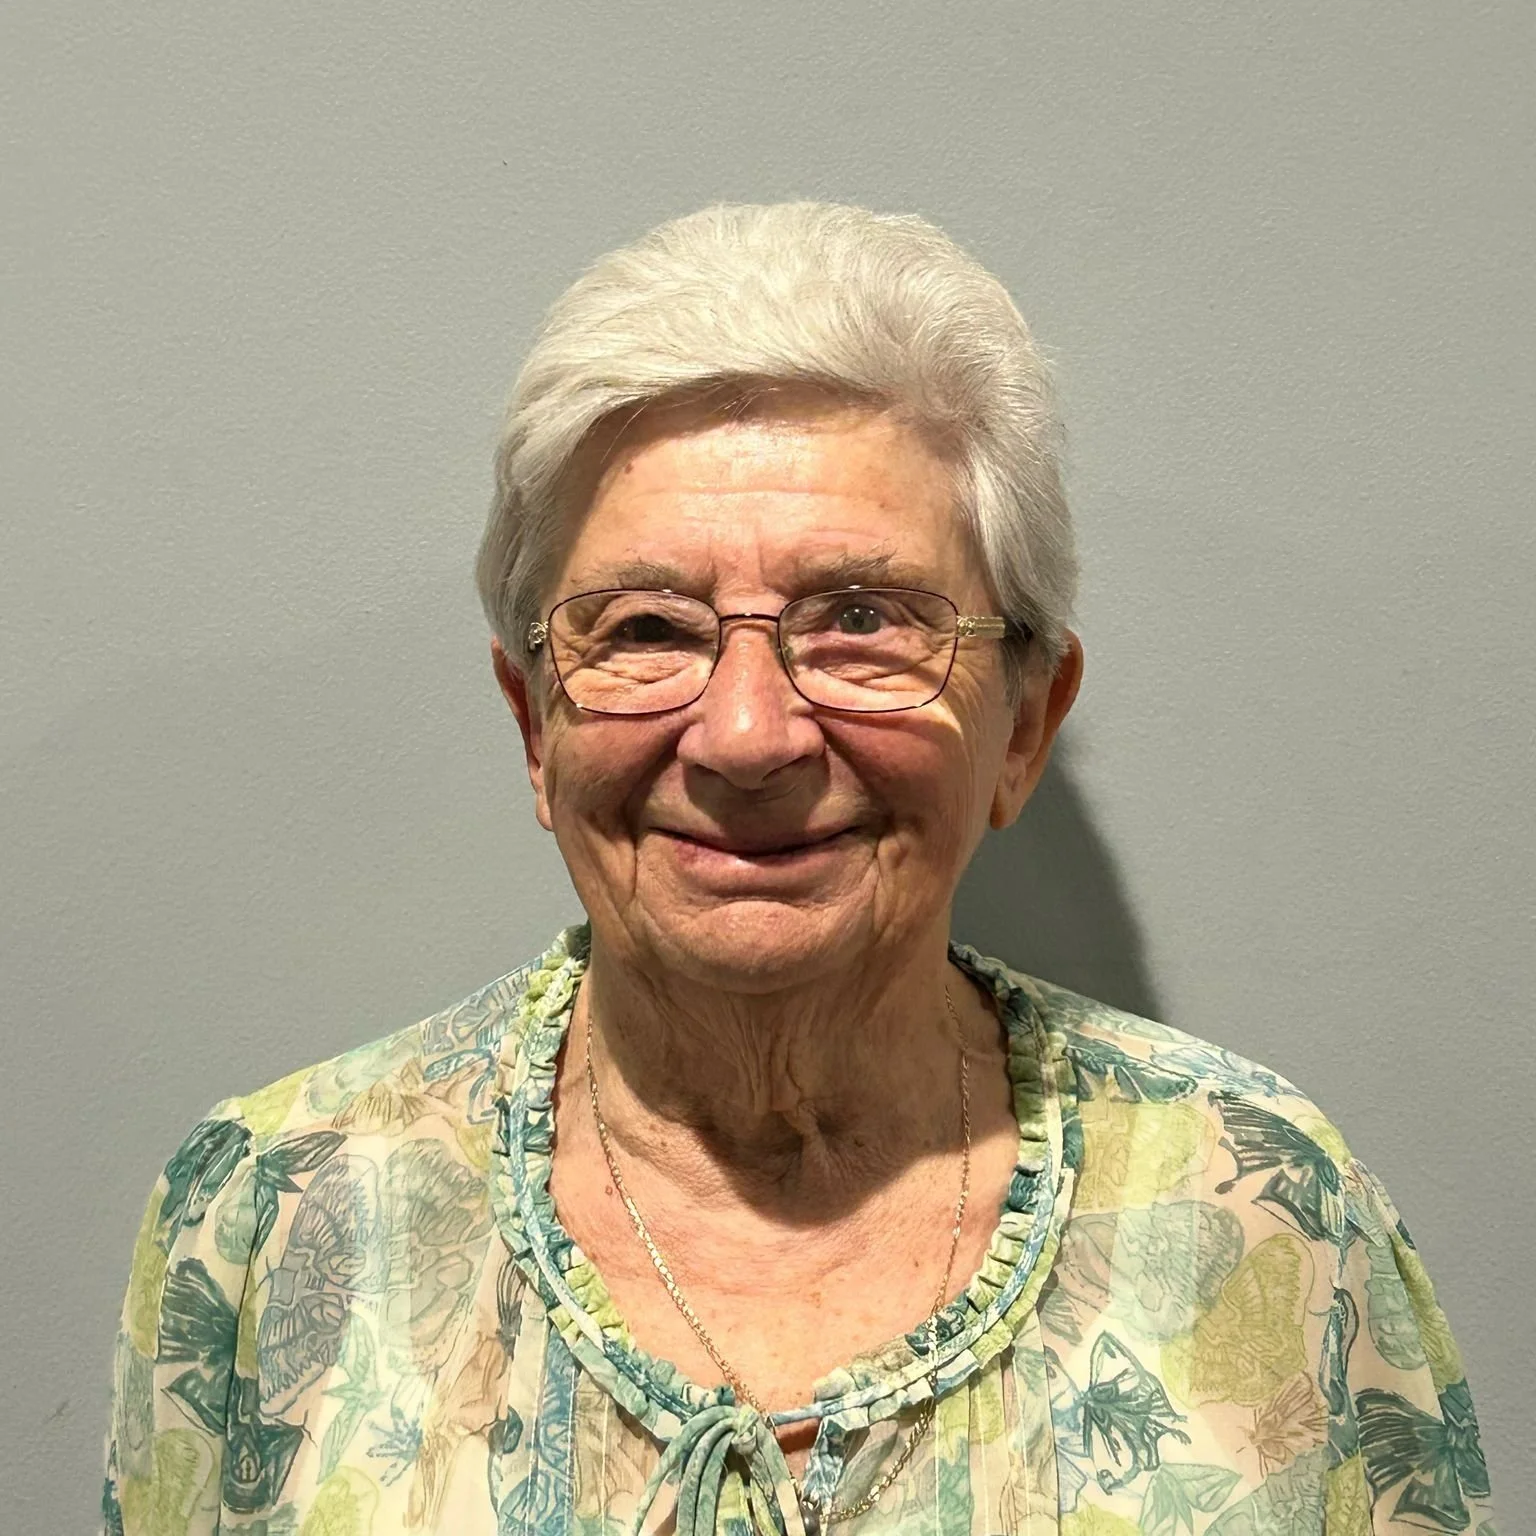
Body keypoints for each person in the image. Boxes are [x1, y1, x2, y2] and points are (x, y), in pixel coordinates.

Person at [103, 202, 1497, 1536]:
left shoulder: (1261, 1209)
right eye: (646, 627)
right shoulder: (277, 1214)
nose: (748, 736)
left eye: (864, 620)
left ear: (1023, 725)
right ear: (535, 726)